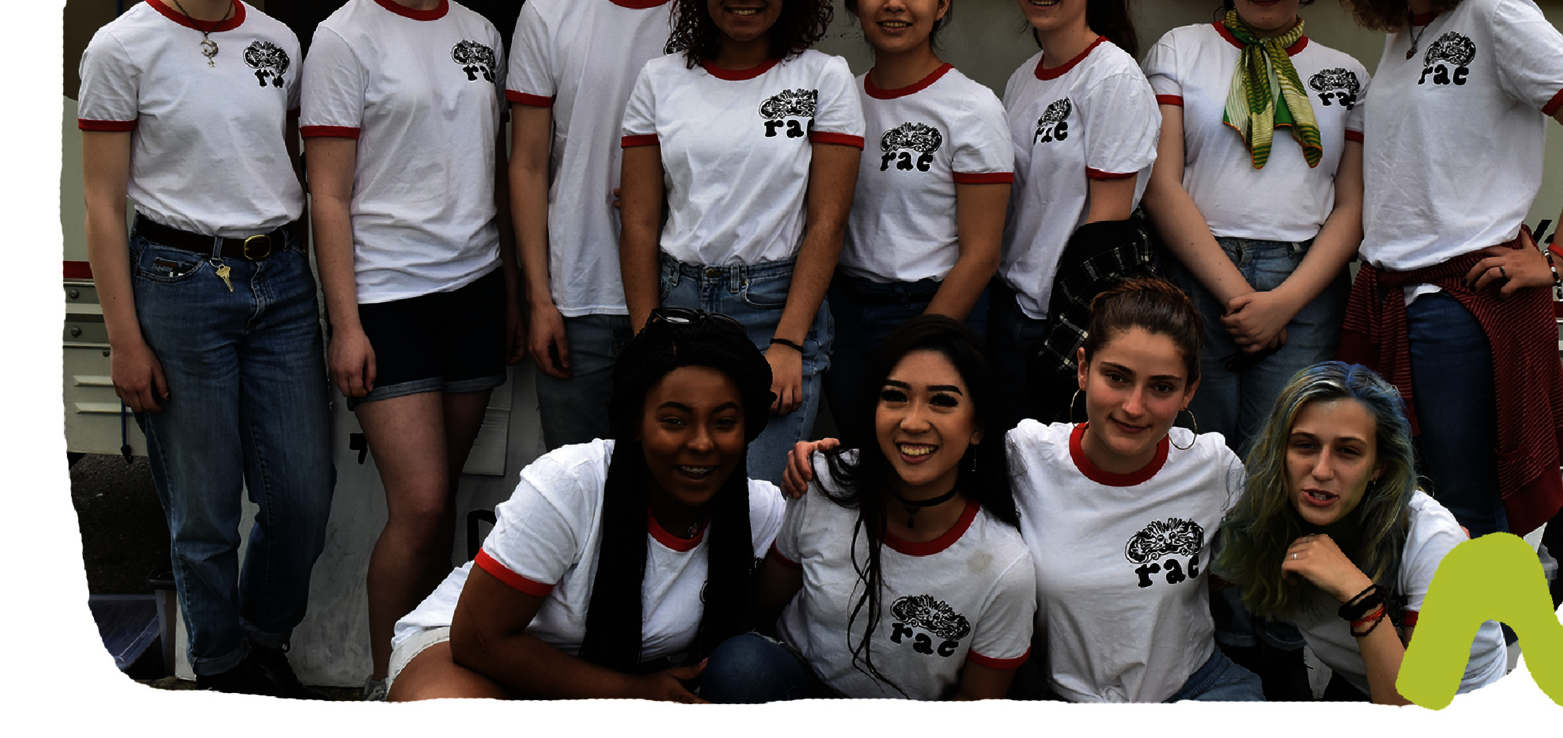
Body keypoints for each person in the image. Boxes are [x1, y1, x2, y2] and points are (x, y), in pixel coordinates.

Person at [77, 0, 332, 696]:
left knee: (300, 497)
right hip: (179, 284)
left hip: (280, 285)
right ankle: (224, 669)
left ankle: (261, 635)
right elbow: (104, 201)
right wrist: (124, 338)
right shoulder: (122, 46)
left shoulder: (279, 41)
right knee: (205, 514)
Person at [1332, 0, 1563, 539]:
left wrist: (1557, 259)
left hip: (1461, 304)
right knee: (1408, 498)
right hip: (1391, 295)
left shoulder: (1493, 9)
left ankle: (1491, 642)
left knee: (1469, 508)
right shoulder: (1402, 31)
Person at [303, 0, 522, 692]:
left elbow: (493, 169)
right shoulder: (344, 37)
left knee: (441, 513)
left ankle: (426, 670)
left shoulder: (479, 32)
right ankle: (377, 685)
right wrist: (346, 320)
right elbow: (328, 196)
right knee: (423, 505)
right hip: (388, 296)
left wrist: (507, 289)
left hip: (472, 289)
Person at [385, 312, 784, 701]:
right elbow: (478, 640)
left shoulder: (756, 510)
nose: (701, 443)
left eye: (724, 422)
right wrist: (635, 693)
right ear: (636, 425)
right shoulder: (573, 483)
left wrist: (816, 485)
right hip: (468, 650)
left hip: (604, 678)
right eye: (675, 421)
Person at [619, 0, 862, 480]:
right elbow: (638, 222)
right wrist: (646, 338)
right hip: (677, 309)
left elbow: (828, 222)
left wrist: (788, 343)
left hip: (775, 311)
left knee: (759, 503)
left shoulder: (822, 77)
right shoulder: (661, 79)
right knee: (678, 494)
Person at [702, 317, 1034, 700]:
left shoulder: (1006, 567)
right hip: (802, 692)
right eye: (895, 396)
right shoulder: (825, 482)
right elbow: (760, 598)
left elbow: (974, 715)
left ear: (977, 427)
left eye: (942, 401)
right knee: (740, 666)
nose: (913, 422)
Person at [1142, 0, 1367, 450]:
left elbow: (1353, 206)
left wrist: (1283, 304)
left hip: (1306, 287)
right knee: (1193, 452)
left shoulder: (1351, 74)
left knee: (1278, 459)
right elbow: (1159, 184)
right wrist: (1242, 297)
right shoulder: (1180, 49)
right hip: (1198, 277)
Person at [1004, 278, 1262, 702]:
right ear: (1083, 368)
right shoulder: (1025, 457)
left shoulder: (1214, 468)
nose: (1133, 407)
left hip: (1197, 691)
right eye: (1117, 377)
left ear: (1189, 391)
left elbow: (1233, 571)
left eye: (1161, 387)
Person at [507, 0, 679, 450]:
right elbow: (526, 166)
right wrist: (540, 298)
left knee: (671, 501)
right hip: (575, 297)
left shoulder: (706, 15)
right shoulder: (547, 12)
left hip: (681, 292)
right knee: (578, 500)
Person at [1216, 361, 1508, 703]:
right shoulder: (1268, 514)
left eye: (1348, 451)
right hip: (1361, 680)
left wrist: (1358, 593)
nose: (1322, 470)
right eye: (1305, 445)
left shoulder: (1433, 541)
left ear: (1378, 466)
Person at [824, 0, 1013, 431]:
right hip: (842, 313)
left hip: (935, 311)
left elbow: (982, 254)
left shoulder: (972, 107)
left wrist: (920, 342)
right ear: (855, 0)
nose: (894, 4)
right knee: (855, 461)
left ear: (943, 2)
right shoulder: (839, 98)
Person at [993, 0, 1160, 423]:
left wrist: (1072, 332)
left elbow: (1105, 228)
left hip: (1066, 319)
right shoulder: (1023, 78)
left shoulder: (1112, 77)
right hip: (1011, 311)